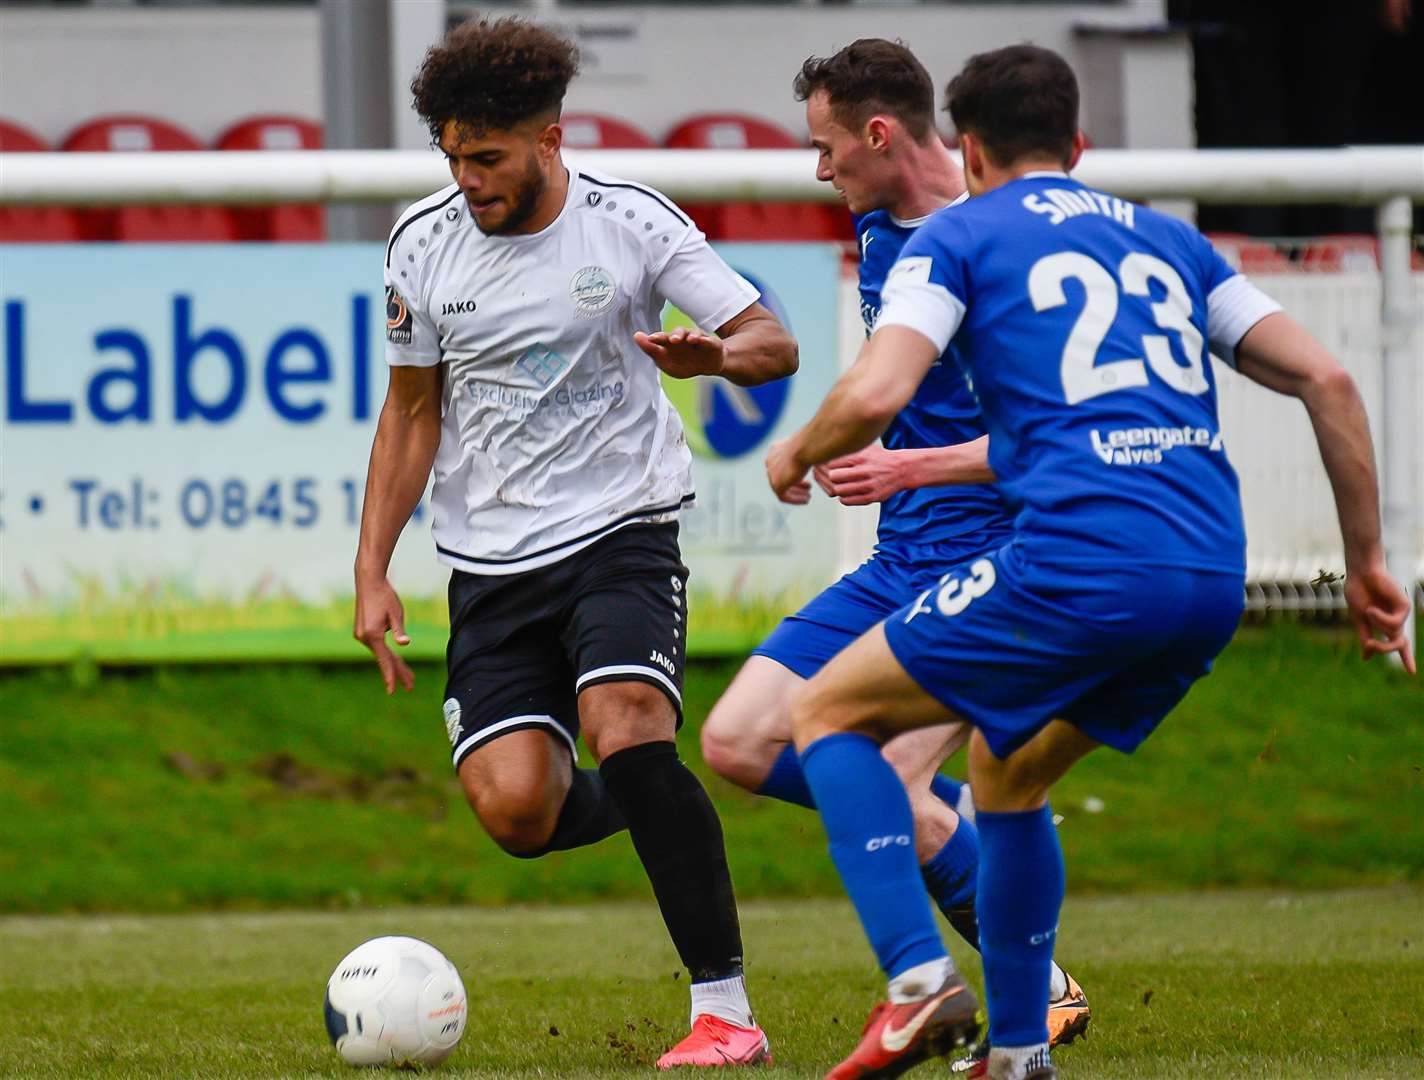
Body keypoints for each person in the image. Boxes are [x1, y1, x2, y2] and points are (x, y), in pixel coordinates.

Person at [765, 44, 1414, 1080]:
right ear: (1077, 144)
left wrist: (794, 452)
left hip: (1073, 561)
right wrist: (1365, 563)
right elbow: (1328, 380)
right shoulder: (1170, 243)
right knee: (1006, 774)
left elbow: (877, 393)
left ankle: (919, 987)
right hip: (1206, 575)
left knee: (825, 715)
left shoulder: (960, 235)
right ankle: (1019, 1054)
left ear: (965, 148)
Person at [353, 18, 798, 1069]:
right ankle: (662, 797)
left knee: (624, 721)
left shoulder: (629, 225)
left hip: (620, 530)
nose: (467, 178)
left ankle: (724, 1012)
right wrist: (371, 568)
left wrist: (714, 360)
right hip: (491, 564)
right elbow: (411, 411)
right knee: (516, 811)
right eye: (453, 156)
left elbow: (770, 342)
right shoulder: (421, 241)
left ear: (550, 141)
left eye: (488, 157)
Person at [698, 37, 1088, 1063]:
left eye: (825, 146)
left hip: (1000, 555)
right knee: (737, 741)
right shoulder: (877, 230)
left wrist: (902, 464)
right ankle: (999, 911)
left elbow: (1061, 441)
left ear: (877, 134)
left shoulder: (999, 243)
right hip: (900, 558)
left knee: (890, 783)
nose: (816, 169)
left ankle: (973, 989)